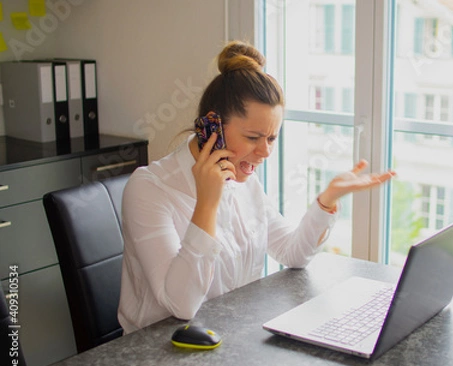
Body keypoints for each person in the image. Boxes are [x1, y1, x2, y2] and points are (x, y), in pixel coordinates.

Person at [117, 41, 396, 334]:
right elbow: (181, 305)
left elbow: (292, 253)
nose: (265, 152)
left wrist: (326, 201)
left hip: (228, 334)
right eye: (253, 137)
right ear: (211, 129)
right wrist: (207, 205)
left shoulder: (244, 181)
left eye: (272, 138)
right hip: (158, 353)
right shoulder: (150, 189)